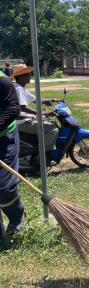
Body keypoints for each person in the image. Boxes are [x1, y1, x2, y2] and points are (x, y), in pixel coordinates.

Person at [11, 64, 59, 156]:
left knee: (48, 123)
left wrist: (52, 100)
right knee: (53, 129)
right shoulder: (18, 89)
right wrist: (43, 113)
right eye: (27, 74)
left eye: (29, 74)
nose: (29, 76)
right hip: (21, 121)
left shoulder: (21, 87)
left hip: (23, 119)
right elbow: (23, 108)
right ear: (20, 77)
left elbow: (34, 99)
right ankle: (44, 155)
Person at [0, 69, 26, 237]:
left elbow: (13, 109)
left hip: (4, 138)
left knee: (4, 186)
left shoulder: (2, 81)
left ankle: (18, 216)